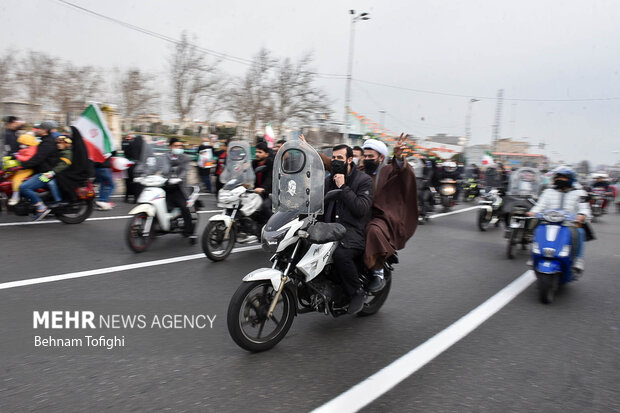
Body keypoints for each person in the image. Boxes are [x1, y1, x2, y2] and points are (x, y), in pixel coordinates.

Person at [361, 135, 418, 292]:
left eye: (370, 156)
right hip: (358, 213)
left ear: (381, 157)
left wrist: (399, 157)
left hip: (381, 217)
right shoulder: (359, 170)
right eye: (365, 156)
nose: (367, 159)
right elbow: (335, 166)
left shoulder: (389, 170)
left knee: (373, 230)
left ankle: (377, 270)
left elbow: (403, 171)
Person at [323, 144, 373, 314]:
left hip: (352, 232)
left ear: (350, 160)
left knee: (339, 254)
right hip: (329, 229)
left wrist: (344, 187)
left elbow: (361, 208)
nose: (336, 161)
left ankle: (356, 292)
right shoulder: (329, 179)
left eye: (340, 158)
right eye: (334, 158)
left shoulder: (363, 180)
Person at [527, 167, 591, 272]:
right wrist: (533, 212)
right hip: (549, 221)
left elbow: (584, 208)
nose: (560, 179)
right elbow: (540, 205)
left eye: (563, 178)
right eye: (558, 177)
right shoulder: (548, 191)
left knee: (579, 232)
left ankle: (578, 259)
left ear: (570, 179)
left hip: (570, 223)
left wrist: (582, 215)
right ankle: (533, 255)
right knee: (537, 231)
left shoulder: (580, 193)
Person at [18, 121, 60, 220]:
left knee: (23, 187)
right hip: (42, 171)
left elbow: (38, 158)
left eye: (39, 128)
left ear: (45, 130)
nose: (37, 130)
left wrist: (22, 166)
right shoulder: (44, 140)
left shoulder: (48, 143)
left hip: (46, 174)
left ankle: (41, 207)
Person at [161, 137, 196, 243]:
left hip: (179, 187)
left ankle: (190, 232)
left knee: (184, 207)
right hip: (165, 185)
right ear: (170, 147)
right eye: (176, 146)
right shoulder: (164, 157)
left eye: (180, 146)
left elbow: (185, 170)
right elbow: (156, 167)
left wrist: (178, 178)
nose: (179, 148)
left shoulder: (185, 157)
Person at [39, 135, 73, 208]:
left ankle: (58, 201)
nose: (58, 145)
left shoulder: (67, 153)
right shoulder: (60, 151)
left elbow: (63, 165)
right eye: (58, 143)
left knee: (51, 183)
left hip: (63, 175)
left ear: (66, 144)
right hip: (59, 174)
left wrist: (52, 172)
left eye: (61, 143)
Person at [250, 141, 273, 238]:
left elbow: (270, 179)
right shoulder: (254, 163)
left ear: (266, 154)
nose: (257, 154)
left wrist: (263, 188)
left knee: (265, 206)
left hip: (269, 192)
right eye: (256, 152)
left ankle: (272, 229)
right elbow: (248, 175)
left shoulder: (270, 163)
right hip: (256, 192)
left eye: (260, 152)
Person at [8, 132, 39, 206]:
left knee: (16, 179)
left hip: (27, 168)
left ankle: (15, 196)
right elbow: (21, 154)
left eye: (22, 143)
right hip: (23, 167)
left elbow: (28, 158)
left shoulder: (32, 149)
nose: (21, 145)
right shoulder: (28, 148)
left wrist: (17, 156)